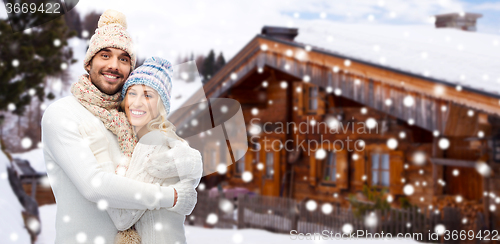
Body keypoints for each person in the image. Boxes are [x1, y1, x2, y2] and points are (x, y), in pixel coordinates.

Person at [41, 10, 194, 244]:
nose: (114, 65)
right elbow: (94, 185)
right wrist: (171, 197)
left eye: (123, 59)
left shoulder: (131, 119)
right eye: (105, 55)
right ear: (89, 62)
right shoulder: (62, 114)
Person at [79, 57, 202, 244]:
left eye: (148, 95)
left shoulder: (153, 142)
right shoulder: (157, 139)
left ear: (161, 105)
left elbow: (122, 218)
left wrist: (99, 151)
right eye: (132, 93)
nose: (136, 103)